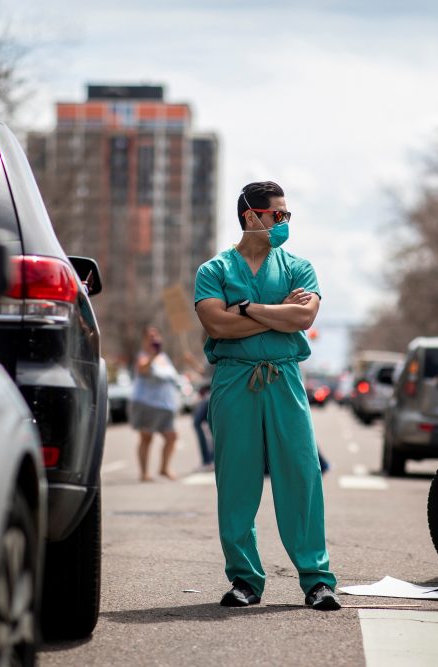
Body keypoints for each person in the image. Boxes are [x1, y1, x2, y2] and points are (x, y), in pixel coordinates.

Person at [194, 181, 340, 611]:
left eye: (287, 216)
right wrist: (277, 316)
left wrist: (245, 309)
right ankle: (245, 580)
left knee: (301, 475)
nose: (284, 223)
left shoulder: (298, 267)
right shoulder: (214, 270)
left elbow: (304, 315)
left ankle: (316, 580)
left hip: (285, 381)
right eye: (278, 216)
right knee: (236, 482)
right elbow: (217, 327)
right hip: (234, 381)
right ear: (250, 217)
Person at [129, 326, 180, 481]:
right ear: (144, 340)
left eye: (156, 336)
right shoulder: (143, 356)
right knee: (146, 438)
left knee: (171, 436)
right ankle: (144, 473)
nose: (153, 339)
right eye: (150, 336)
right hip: (147, 403)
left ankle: (164, 468)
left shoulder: (163, 357)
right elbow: (142, 368)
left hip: (165, 405)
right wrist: (152, 356)